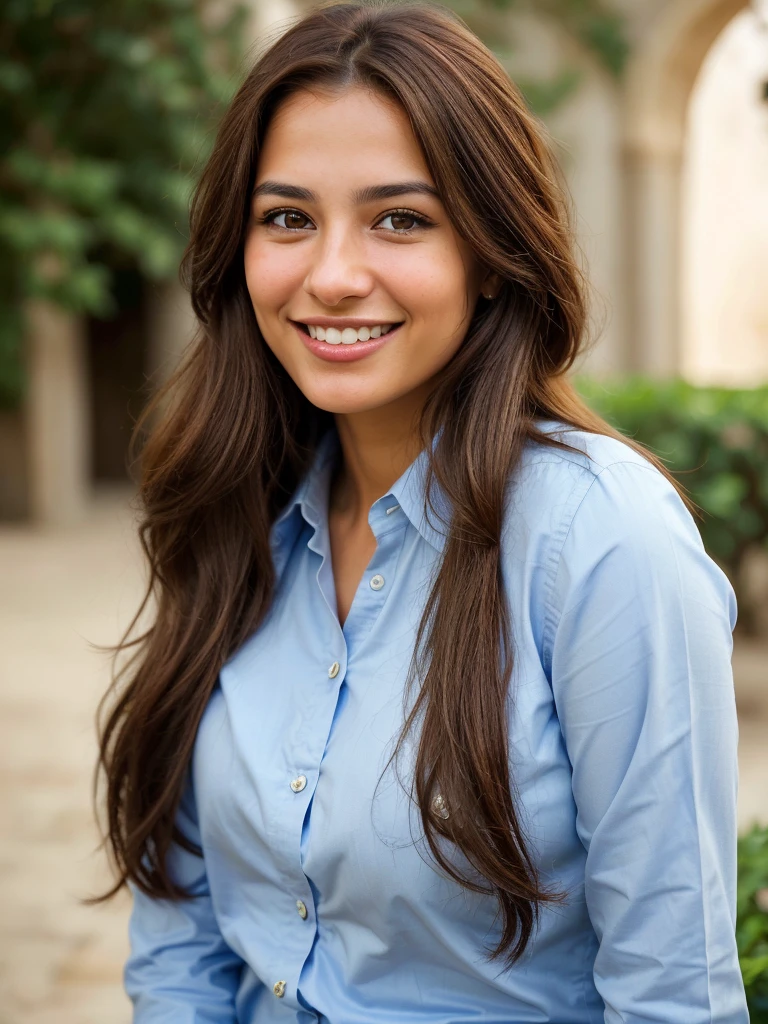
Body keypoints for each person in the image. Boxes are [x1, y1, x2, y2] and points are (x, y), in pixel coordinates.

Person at [95, 1, 749, 1020]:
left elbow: (672, 990)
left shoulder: (604, 543)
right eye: (287, 218)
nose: (334, 275)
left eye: (401, 218)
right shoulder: (233, 510)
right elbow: (185, 938)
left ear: (492, 252)